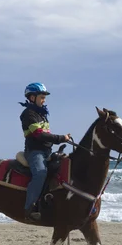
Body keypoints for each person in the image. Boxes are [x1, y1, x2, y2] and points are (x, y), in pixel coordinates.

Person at [19, 83, 71, 221]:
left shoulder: (41, 115)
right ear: (32, 97)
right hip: (35, 152)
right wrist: (61, 138)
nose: (44, 100)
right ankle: (29, 209)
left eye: (44, 98)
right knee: (40, 174)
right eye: (41, 97)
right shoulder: (28, 114)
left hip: (47, 151)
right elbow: (39, 135)